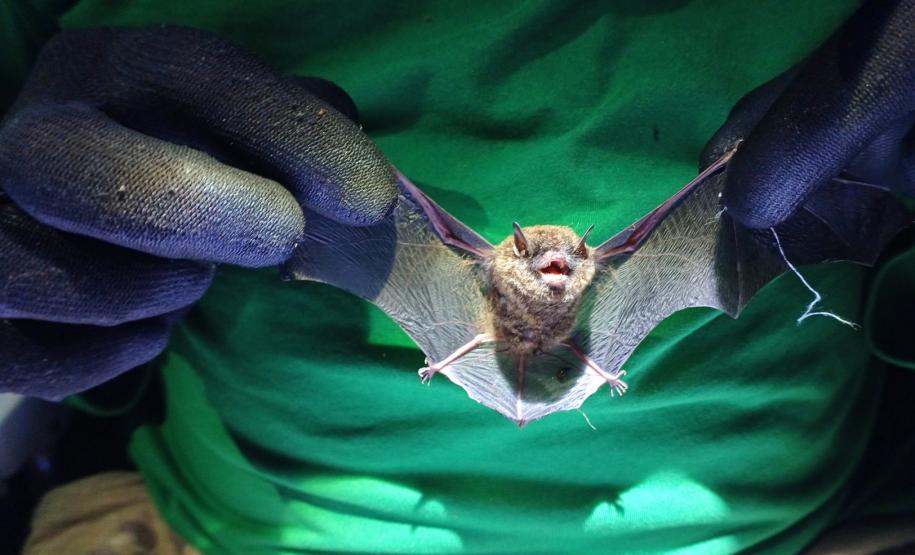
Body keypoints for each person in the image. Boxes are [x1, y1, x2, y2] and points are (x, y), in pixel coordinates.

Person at [3, 0, 914, 553]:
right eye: (540, 255)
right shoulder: (455, 265)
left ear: (594, 263)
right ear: (502, 250)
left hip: (802, 521)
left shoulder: (630, 268)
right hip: (225, 521)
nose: (554, 269)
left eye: (564, 263)